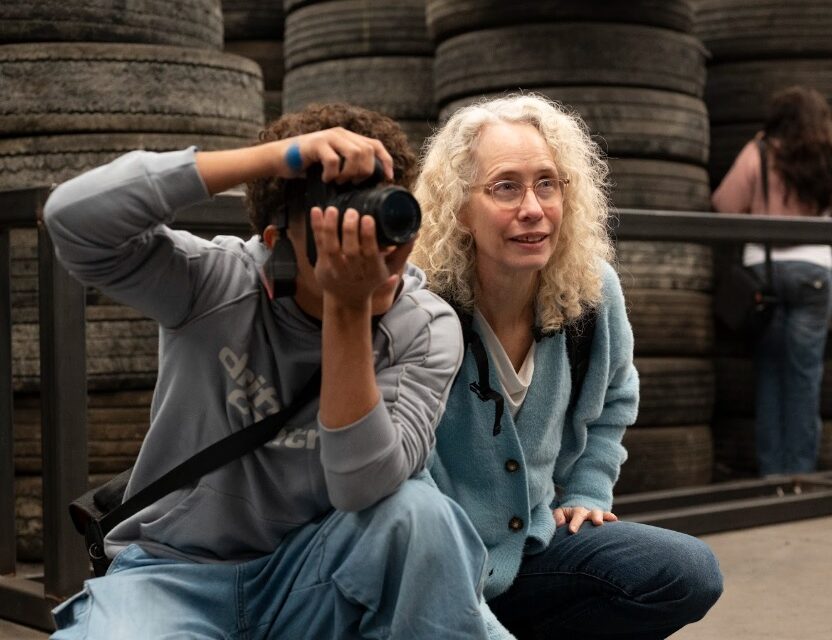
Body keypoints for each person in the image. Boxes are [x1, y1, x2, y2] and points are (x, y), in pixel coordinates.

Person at [44, 103, 494, 639]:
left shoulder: (423, 324)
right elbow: (70, 220)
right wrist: (272, 160)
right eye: (340, 226)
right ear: (277, 243)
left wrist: (348, 309)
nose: (377, 248)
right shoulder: (215, 284)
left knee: (420, 512)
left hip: (315, 575)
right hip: (173, 574)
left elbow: (364, 485)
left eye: (387, 216)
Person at [411, 94, 723, 640]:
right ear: (459, 208)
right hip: (429, 565)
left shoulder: (590, 290)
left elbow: (617, 396)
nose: (533, 208)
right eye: (505, 187)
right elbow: (402, 475)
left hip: (531, 546)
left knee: (688, 571)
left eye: (547, 184)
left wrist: (588, 491)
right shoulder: (419, 308)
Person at [712, 86, 832, 476]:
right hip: (815, 272)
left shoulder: (760, 152)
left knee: (769, 376)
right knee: (805, 378)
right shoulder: (826, 154)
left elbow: (724, 204)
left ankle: (772, 477)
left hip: (765, 274)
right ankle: (801, 477)